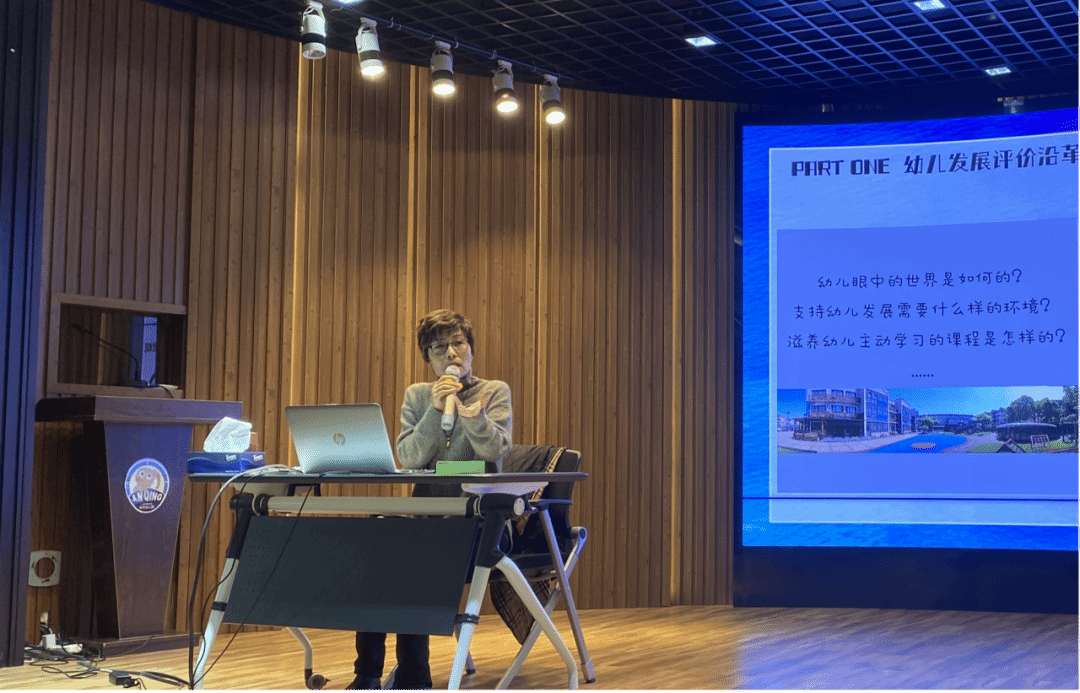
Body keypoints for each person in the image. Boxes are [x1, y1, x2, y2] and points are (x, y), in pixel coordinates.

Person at [347, 309, 513, 691]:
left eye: (459, 343)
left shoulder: (494, 391)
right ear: (429, 358)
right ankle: (368, 674)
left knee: (414, 556)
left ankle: (413, 676)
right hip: (427, 519)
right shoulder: (418, 396)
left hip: (478, 522)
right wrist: (435, 412)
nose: (452, 353)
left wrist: (473, 418)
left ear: (471, 349)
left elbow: (494, 453)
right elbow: (408, 457)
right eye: (440, 348)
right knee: (377, 539)